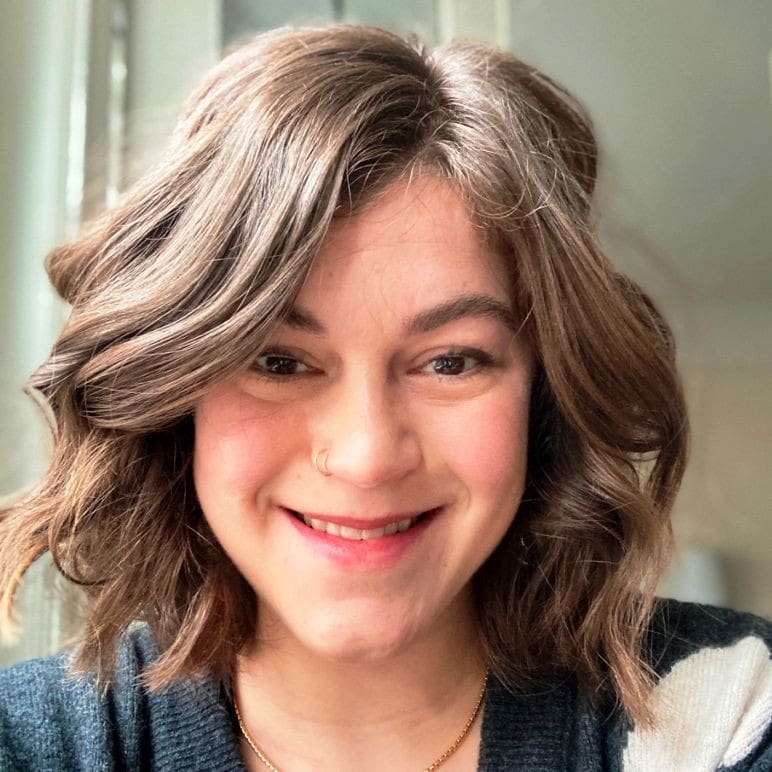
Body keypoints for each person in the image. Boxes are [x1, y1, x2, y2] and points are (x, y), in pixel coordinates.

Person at [0, 24, 769, 772]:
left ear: (544, 394)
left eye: (450, 362)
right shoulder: (33, 743)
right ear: (178, 393)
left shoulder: (727, 712)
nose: (367, 456)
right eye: (278, 360)